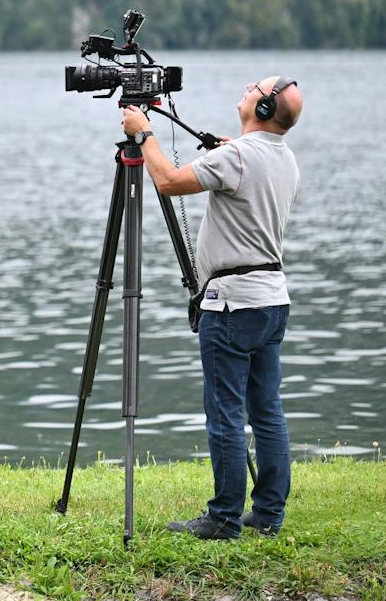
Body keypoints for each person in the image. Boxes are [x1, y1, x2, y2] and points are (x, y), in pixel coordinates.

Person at [122, 75, 303, 539]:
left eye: (254, 88)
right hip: (271, 302)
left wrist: (144, 134)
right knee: (267, 412)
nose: (246, 88)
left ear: (263, 110)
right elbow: (244, 171)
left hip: (232, 309)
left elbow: (166, 181)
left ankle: (223, 518)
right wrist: (229, 149)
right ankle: (267, 516)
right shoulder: (282, 158)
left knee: (225, 413)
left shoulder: (238, 157)